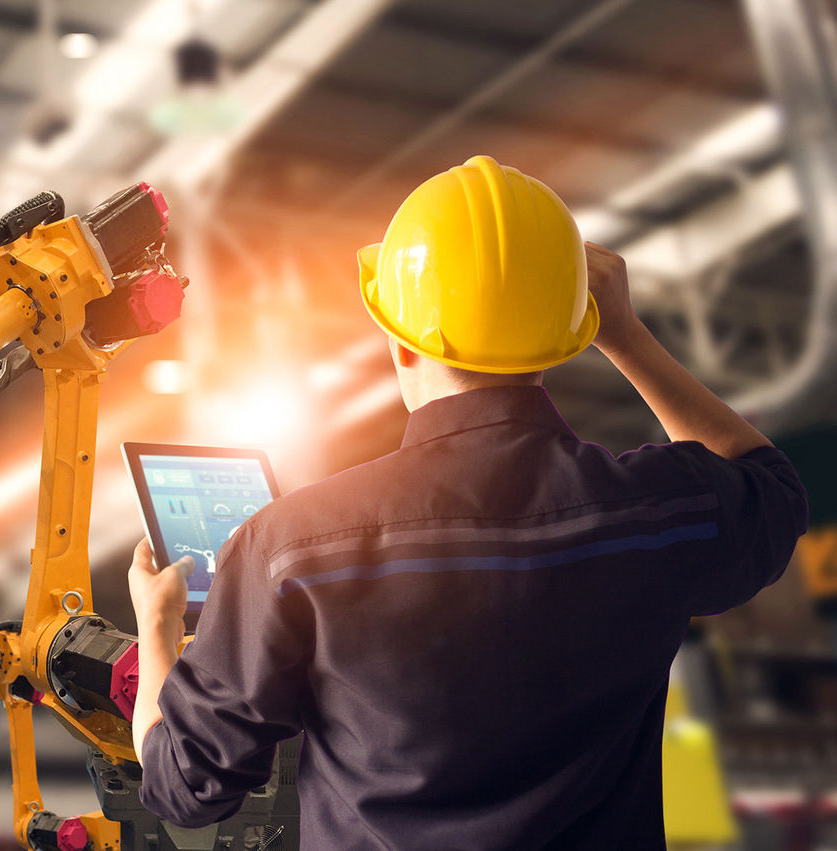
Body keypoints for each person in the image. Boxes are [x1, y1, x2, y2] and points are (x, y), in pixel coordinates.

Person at [127, 155, 809, 849]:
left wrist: (157, 626)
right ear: (570, 332)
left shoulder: (292, 546)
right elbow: (771, 488)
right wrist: (627, 334)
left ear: (400, 343)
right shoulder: (655, 511)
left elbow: (186, 787)